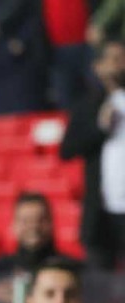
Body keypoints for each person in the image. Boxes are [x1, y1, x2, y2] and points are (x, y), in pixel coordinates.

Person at [59, 40, 125, 270]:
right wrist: (99, 128)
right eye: (114, 59)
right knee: (101, 282)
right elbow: (67, 150)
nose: (120, 65)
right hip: (102, 215)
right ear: (98, 67)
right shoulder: (89, 105)